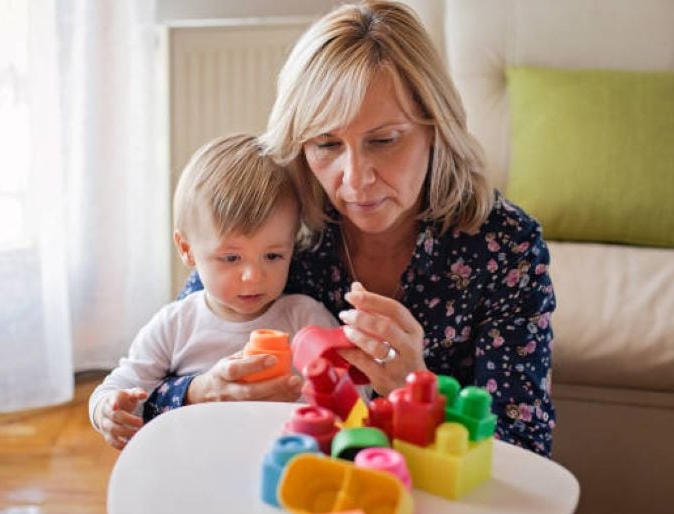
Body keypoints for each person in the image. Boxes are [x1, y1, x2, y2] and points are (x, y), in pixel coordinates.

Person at [149, 0, 556, 457]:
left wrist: (419, 390)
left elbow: (526, 449)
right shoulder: (281, 227)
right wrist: (202, 391)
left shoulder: (505, 246)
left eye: (384, 141)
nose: (355, 178)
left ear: (435, 128)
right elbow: (153, 386)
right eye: (326, 145)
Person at [89, 133, 338, 449]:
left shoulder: (305, 319)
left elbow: (351, 397)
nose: (253, 276)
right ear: (187, 249)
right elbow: (117, 388)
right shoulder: (175, 325)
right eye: (231, 258)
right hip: (196, 465)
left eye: (273, 256)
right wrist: (107, 411)